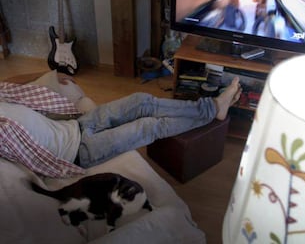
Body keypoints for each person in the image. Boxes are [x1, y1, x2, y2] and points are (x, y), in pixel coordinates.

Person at [0, 75, 241, 177]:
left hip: (77, 124)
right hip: (79, 152)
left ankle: (211, 108)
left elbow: (18, 89)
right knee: (149, 126)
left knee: (141, 100)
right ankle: (212, 109)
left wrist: (54, 80)